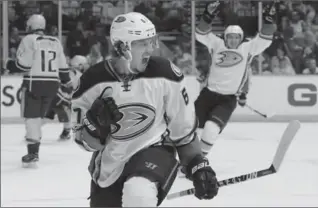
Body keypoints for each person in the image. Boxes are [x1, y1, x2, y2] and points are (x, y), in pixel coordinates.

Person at [71, 12, 219, 207]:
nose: (152, 48)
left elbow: (182, 130)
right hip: (110, 166)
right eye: (143, 43)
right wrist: (94, 127)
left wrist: (197, 164)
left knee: (138, 193)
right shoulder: (91, 82)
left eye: (152, 41)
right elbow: (84, 142)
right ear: (123, 47)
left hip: (155, 151)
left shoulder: (166, 74)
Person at [194, 1, 276, 155]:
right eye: (230, 37)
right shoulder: (216, 43)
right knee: (191, 127)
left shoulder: (248, 48)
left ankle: (197, 160)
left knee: (211, 129)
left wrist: (269, 20)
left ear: (241, 38)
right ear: (225, 37)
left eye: (236, 38)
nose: (233, 40)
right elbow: (200, 34)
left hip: (227, 100)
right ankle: (182, 157)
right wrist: (207, 16)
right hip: (207, 95)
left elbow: (265, 39)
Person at [4, 14, 70, 167]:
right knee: (41, 116)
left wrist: (8, 64)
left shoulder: (29, 40)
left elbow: (23, 66)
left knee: (32, 118)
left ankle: (33, 152)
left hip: (35, 83)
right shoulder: (55, 41)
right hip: (53, 84)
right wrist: (67, 83)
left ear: (30, 26)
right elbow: (64, 70)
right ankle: (38, 144)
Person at [45, 55, 88, 140]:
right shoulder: (76, 74)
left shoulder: (68, 71)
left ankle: (33, 132)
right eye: (83, 64)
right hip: (61, 98)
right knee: (68, 114)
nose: (85, 66)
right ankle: (66, 133)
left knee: (46, 116)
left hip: (55, 96)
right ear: (79, 65)